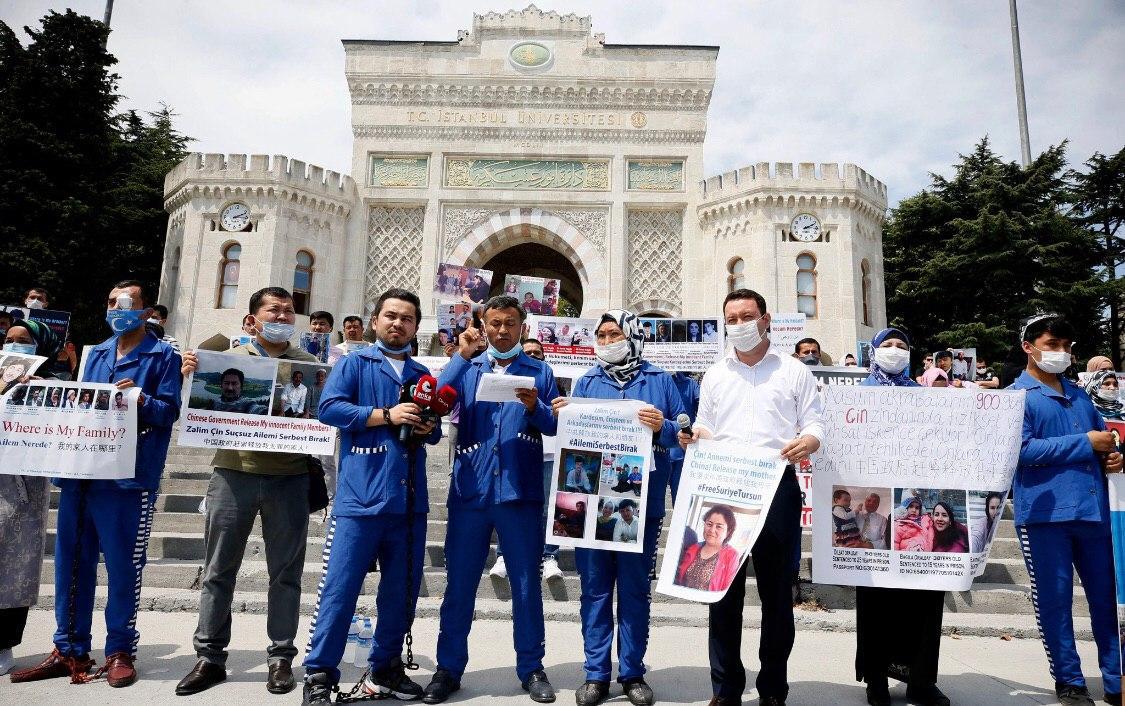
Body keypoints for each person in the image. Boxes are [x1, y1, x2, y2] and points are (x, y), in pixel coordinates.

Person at [11, 280, 181, 688]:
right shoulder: (96, 353)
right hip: (82, 473)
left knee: (123, 568)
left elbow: (168, 412)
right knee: (71, 564)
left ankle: (120, 649)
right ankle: (68, 648)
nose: (118, 308)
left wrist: (139, 398)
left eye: (127, 303)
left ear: (144, 311)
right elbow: (83, 406)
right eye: (111, 302)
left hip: (127, 480)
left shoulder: (162, 356)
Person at [679, 288, 822, 706]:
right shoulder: (716, 373)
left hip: (775, 487)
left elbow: (815, 421)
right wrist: (694, 437)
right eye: (732, 319)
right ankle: (725, 689)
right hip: (723, 486)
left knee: (777, 595)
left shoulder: (794, 371)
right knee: (722, 592)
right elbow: (706, 423)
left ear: (765, 319)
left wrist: (810, 440)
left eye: (747, 316)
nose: (739, 325)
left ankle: (773, 688)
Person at [300, 288, 443, 704]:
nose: (398, 324)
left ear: (416, 327)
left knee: (401, 590)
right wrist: (384, 415)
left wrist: (424, 428)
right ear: (375, 321)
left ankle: (386, 667)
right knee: (340, 589)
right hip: (360, 499)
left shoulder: (420, 374)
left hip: (409, 501)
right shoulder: (353, 363)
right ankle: (320, 674)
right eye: (391, 316)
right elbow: (329, 409)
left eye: (407, 319)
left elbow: (431, 431)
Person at [174, 287, 318, 697]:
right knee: (218, 570)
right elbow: (196, 404)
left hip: (290, 478)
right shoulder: (228, 359)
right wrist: (189, 372)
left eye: (289, 311)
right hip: (232, 474)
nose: (283, 315)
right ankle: (210, 658)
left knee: (286, 574)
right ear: (253, 319)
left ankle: (280, 658)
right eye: (274, 309)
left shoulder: (308, 365)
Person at [426, 295, 560, 704]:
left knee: (525, 584)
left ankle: (531, 668)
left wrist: (536, 407)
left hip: (519, 492)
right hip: (471, 491)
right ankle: (448, 669)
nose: (502, 331)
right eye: (495, 323)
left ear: (524, 327)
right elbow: (435, 400)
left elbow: (554, 425)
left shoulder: (539, 371)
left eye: (510, 323)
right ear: (483, 326)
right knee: (460, 585)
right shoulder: (467, 367)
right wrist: (461, 356)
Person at [551, 308, 686, 706]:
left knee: (633, 591)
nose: (608, 341)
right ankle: (595, 674)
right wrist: (563, 415)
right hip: (592, 505)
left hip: (640, 505)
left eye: (615, 334)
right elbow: (573, 439)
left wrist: (663, 425)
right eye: (602, 335)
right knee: (593, 590)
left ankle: (632, 673)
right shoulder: (587, 381)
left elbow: (686, 432)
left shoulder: (660, 381)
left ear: (632, 335)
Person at [1010, 314, 1122, 706]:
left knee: (1107, 599)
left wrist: (1114, 459)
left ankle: (1115, 679)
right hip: (1044, 516)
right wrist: (1085, 443)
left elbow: (1103, 442)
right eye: (1052, 344)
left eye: (1066, 346)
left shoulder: (1079, 395)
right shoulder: (1014, 397)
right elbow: (1019, 452)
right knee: (1056, 602)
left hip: (1093, 511)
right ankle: (1070, 682)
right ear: (1029, 346)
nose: (1061, 352)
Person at [854, 328, 949, 705]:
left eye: (902, 346)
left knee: (924, 596)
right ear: (873, 352)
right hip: (880, 506)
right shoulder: (857, 396)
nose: (895, 351)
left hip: (915, 505)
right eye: (887, 345)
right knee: (876, 597)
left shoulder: (922, 397)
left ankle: (921, 679)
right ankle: (875, 677)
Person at [0, 318, 62, 676]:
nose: (15, 346)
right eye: (9, 339)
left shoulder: (50, 386)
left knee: (12, 563)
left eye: (24, 341)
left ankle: (3, 641)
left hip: (22, 486)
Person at [675, 504, 741, 591]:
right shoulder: (692, 548)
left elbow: (728, 589)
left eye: (719, 526)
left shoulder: (732, 555)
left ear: (728, 532)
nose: (712, 530)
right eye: (709, 524)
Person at [668, 371, 701, 504]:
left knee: (681, 498)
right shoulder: (651, 381)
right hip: (658, 450)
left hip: (683, 449)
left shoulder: (690, 384)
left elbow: (706, 408)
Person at [199, 368, 270, 414]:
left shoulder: (247, 404)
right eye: (226, 383)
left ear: (241, 386)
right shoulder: (213, 403)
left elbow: (256, 409)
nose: (230, 388)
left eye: (234, 383)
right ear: (221, 385)